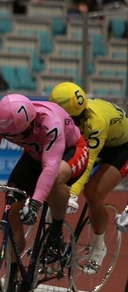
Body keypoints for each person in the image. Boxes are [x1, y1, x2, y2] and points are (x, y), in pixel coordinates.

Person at [0, 94, 89, 292]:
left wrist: (36, 203)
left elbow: (49, 167)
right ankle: (13, 278)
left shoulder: (50, 123)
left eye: (10, 135)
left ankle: (56, 231)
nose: (6, 138)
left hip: (71, 151)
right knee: (12, 211)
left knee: (55, 177)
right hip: (35, 154)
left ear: (25, 126)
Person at [49, 82, 128, 275]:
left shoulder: (95, 121)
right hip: (93, 140)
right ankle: (52, 240)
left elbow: (88, 161)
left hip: (120, 148)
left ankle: (99, 246)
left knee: (92, 192)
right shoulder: (68, 118)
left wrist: (73, 195)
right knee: (58, 182)